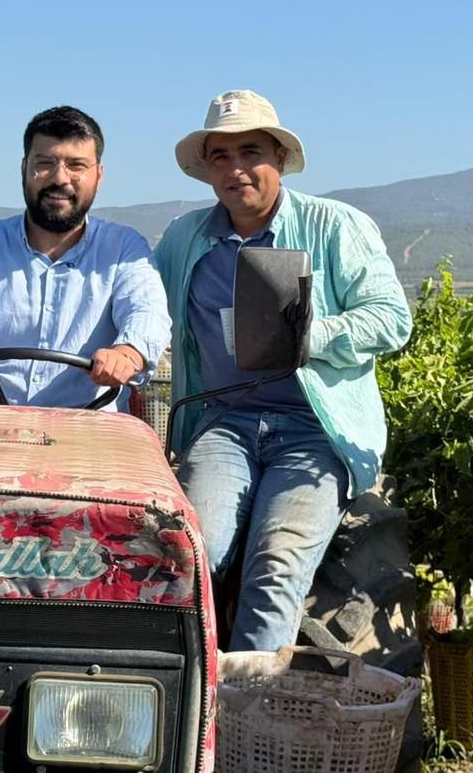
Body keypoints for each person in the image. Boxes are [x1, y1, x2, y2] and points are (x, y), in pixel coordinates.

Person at [153, 90, 412, 652]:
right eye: (220, 156)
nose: (236, 169)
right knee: (190, 556)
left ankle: (250, 703)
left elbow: (391, 320)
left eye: (250, 152)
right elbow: (142, 309)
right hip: (224, 425)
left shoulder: (335, 226)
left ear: (279, 158)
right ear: (207, 169)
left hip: (314, 433)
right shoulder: (184, 239)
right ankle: (184, 696)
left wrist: (303, 336)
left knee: (276, 568)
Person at [0, 106, 170, 409]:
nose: (59, 178)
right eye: (44, 164)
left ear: (98, 175)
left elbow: (147, 311)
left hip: (91, 427)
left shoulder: (124, 249)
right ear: (24, 169)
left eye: (76, 165)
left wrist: (127, 353)